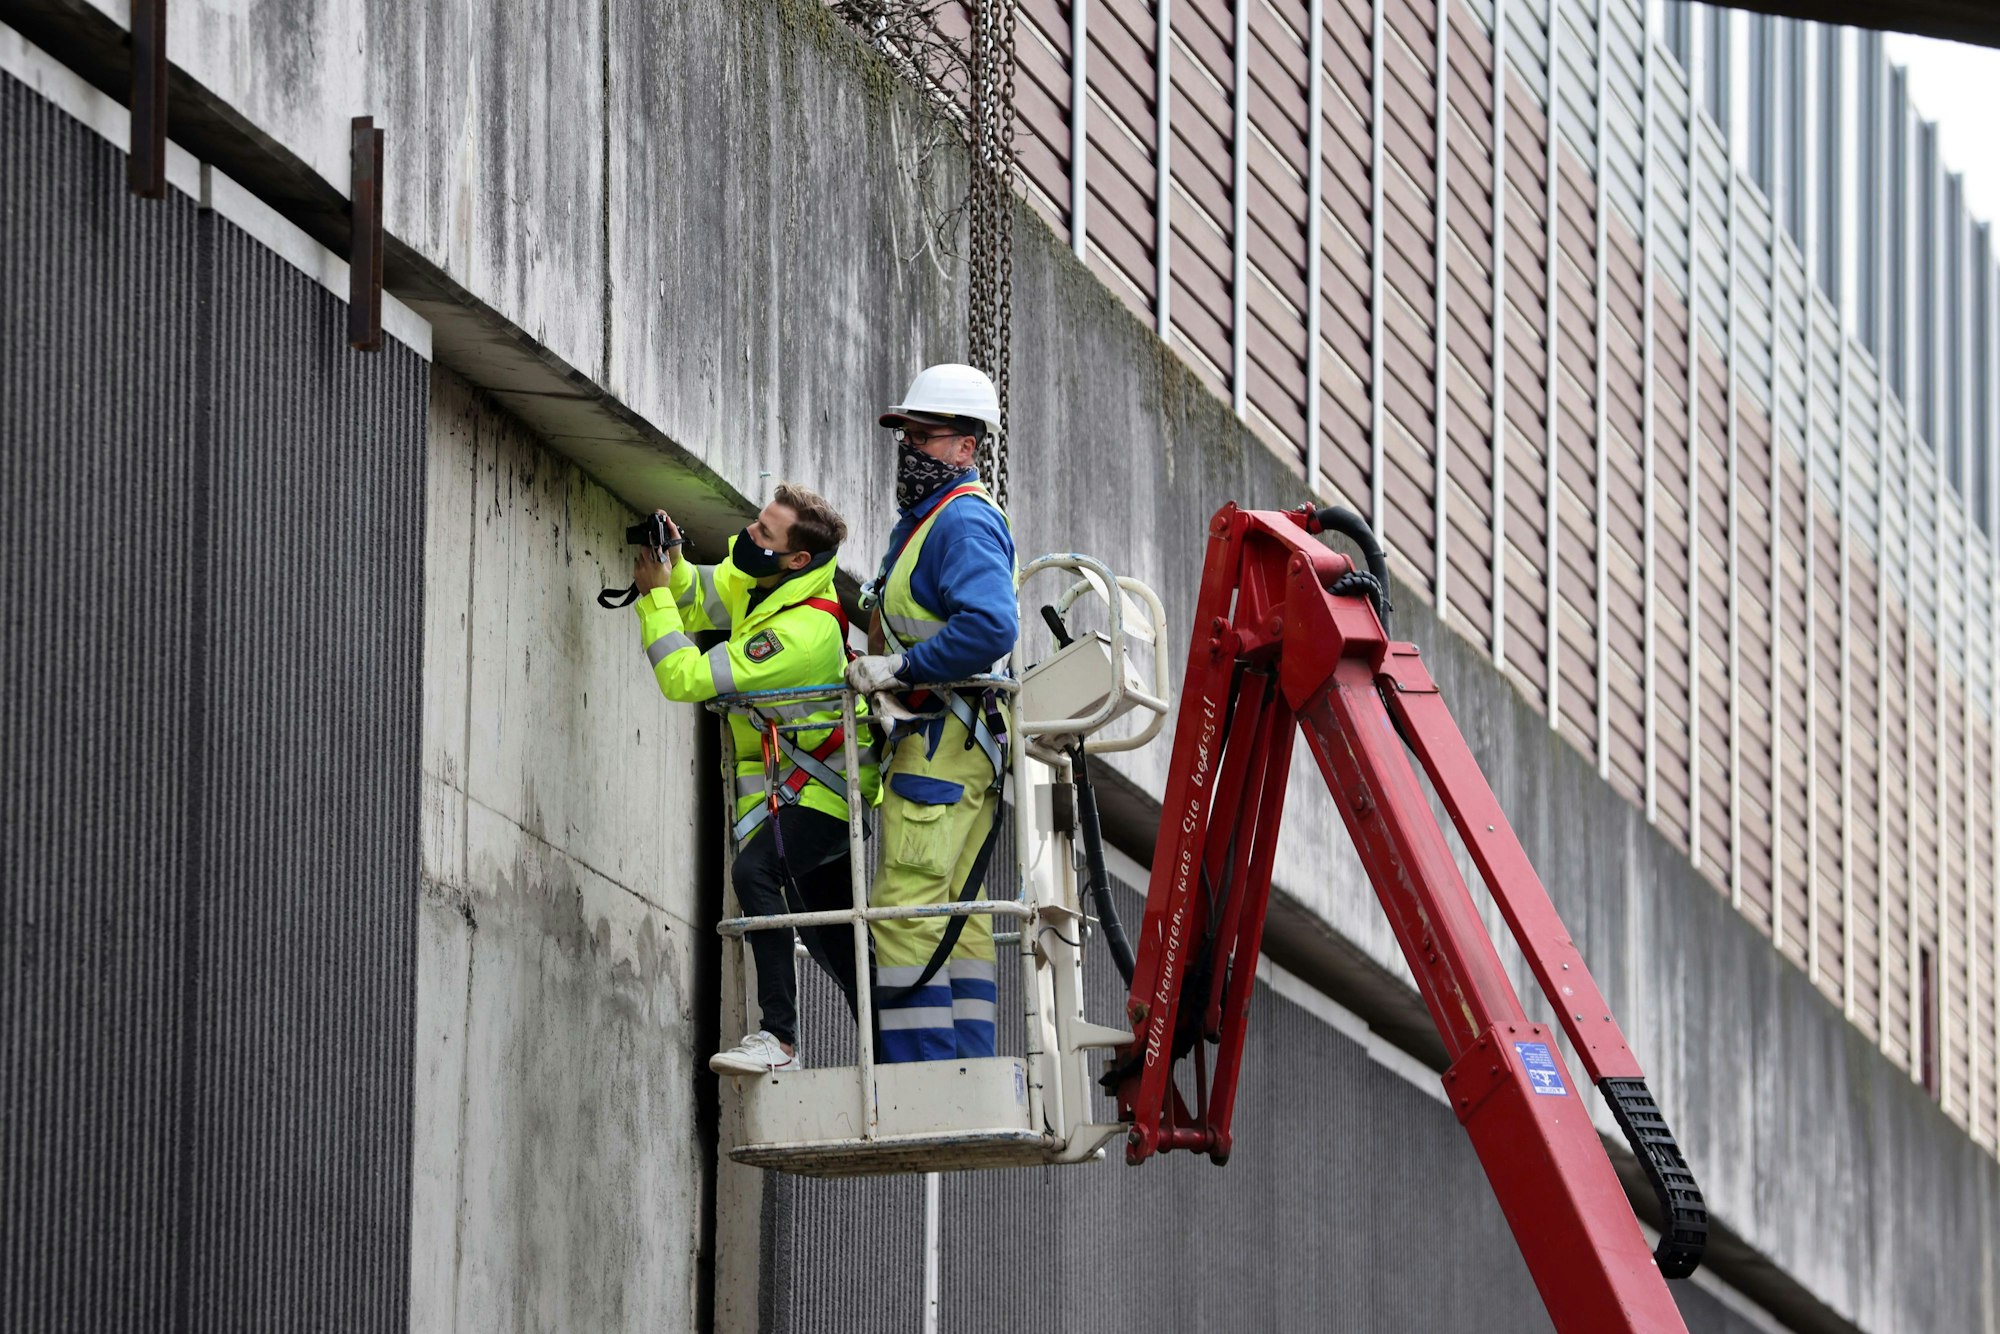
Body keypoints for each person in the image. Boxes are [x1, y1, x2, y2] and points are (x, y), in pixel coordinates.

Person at [632, 483, 873, 1076]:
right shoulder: (765, 581)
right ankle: (895, 1046)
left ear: (796, 558)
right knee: (835, 944)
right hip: (806, 789)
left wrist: (651, 599)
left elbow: (685, 678)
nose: (748, 536)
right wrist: (675, 562)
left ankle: (780, 1042)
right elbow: (700, 599)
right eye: (757, 522)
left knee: (755, 871)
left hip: (828, 792)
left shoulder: (800, 634)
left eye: (765, 533)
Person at [845, 364, 1018, 1063]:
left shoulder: (962, 520)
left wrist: (903, 669)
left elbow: (990, 626)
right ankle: (966, 1067)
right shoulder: (928, 523)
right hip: (958, 740)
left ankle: (922, 1080)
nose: (910, 449)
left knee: (906, 902)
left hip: (942, 738)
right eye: (907, 436)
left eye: (924, 436)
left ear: (965, 447)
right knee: (958, 912)